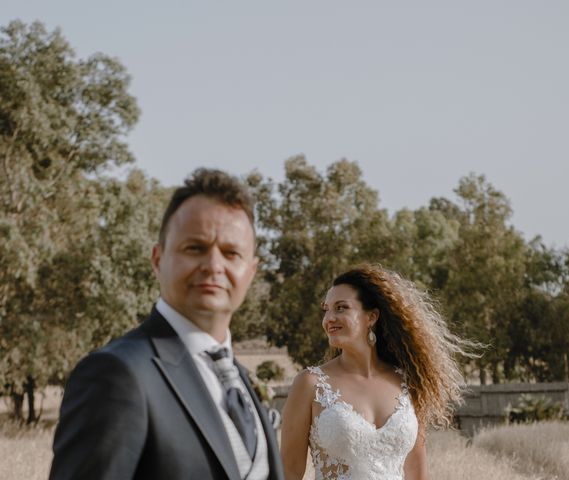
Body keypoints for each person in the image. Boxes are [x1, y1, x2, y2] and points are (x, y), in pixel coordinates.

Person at [50, 169, 285, 480]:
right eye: (195, 248)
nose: (214, 266)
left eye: (231, 253)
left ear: (251, 272)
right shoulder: (115, 374)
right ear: (158, 259)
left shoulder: (239, 379)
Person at [280, 264, 468, 480]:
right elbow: (289, 471)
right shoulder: (310, 384)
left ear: (372, 317)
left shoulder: (408, 382)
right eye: (326, 309)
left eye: (341, 308)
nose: (329, 318)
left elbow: (417, 473)